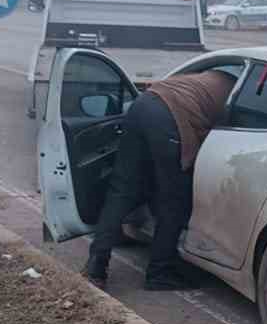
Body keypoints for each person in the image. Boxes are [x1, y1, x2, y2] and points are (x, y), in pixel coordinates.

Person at [84, 69, 237, 291]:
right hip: (169, 116)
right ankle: (160, 273)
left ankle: (96, 267)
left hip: (144, 103)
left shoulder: (207, 76)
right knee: (174, 201)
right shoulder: (241, 93)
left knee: (122, 190)